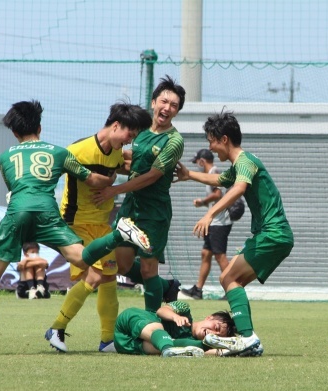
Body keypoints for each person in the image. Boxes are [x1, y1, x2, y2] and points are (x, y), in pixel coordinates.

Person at [0, 100, 150, 355]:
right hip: (49, 213)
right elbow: (92, 178)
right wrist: (112, 178)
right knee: (82, 257)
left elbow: (14, 189)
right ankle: (117, 236)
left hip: (19, 211)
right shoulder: (60, 152)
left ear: (14, 132)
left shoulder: (5, 157)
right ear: (41, 127)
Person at [174, 110, 294, 357]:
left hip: (273, 234)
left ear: (224, 139)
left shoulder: (245, 162)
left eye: (211, 141)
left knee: (228, 278)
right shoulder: (240, 165)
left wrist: (210, 214)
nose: (210, 147)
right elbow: (219, 180)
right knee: (230, 280)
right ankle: (246, 340)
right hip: (273, 236)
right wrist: (188, 175)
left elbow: (239, 188)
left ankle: (248, 337)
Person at [44, 103, 152, 353]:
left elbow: (124, 163)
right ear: (116, 125)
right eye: (129, 135)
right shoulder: (77, 150)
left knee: (109, 279)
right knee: (93, 277)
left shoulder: (115, 151)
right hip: (76, 224)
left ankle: (107, 340)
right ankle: (56, 328)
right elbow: (52, 171)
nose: (129, 142)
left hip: (102, 226)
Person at [90, 75, 185, 315]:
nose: (167, 108)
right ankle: (167, 287)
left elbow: (153, 175)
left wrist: (114, 189)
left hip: (154, 212)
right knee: (121, 265)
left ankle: (151, 322)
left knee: (148, 269)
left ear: (176, 112)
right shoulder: (140, 130)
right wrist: (99, 164)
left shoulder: (174, 140)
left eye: (173, 105)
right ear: (153, 103)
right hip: (132, 206)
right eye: (164, 102)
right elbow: (129, 162)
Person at [181, 149, 233, 300]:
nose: (197, 165)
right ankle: (198, 289)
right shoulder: (212, 171)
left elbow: (218, 194)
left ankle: (232, 290)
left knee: (220, 256)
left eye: (197, 162)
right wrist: (204, 205)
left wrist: (203, 201)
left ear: (202, 161)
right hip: (214, 222)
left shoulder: (214, 172)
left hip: (220, 223)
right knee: (206, 254)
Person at [113, 301, 236, 357]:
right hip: (134, 321)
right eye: (215, 327)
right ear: (209, 318)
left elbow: (209, 352)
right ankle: (168, 350)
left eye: (217, 335)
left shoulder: (192, 345)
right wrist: (175, 316)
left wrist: (236, 349)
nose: (212, 333)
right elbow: (161, 311)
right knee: (158, 329)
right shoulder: (184, 309)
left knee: (159, 347)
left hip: (126, 345)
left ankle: (168, 349)